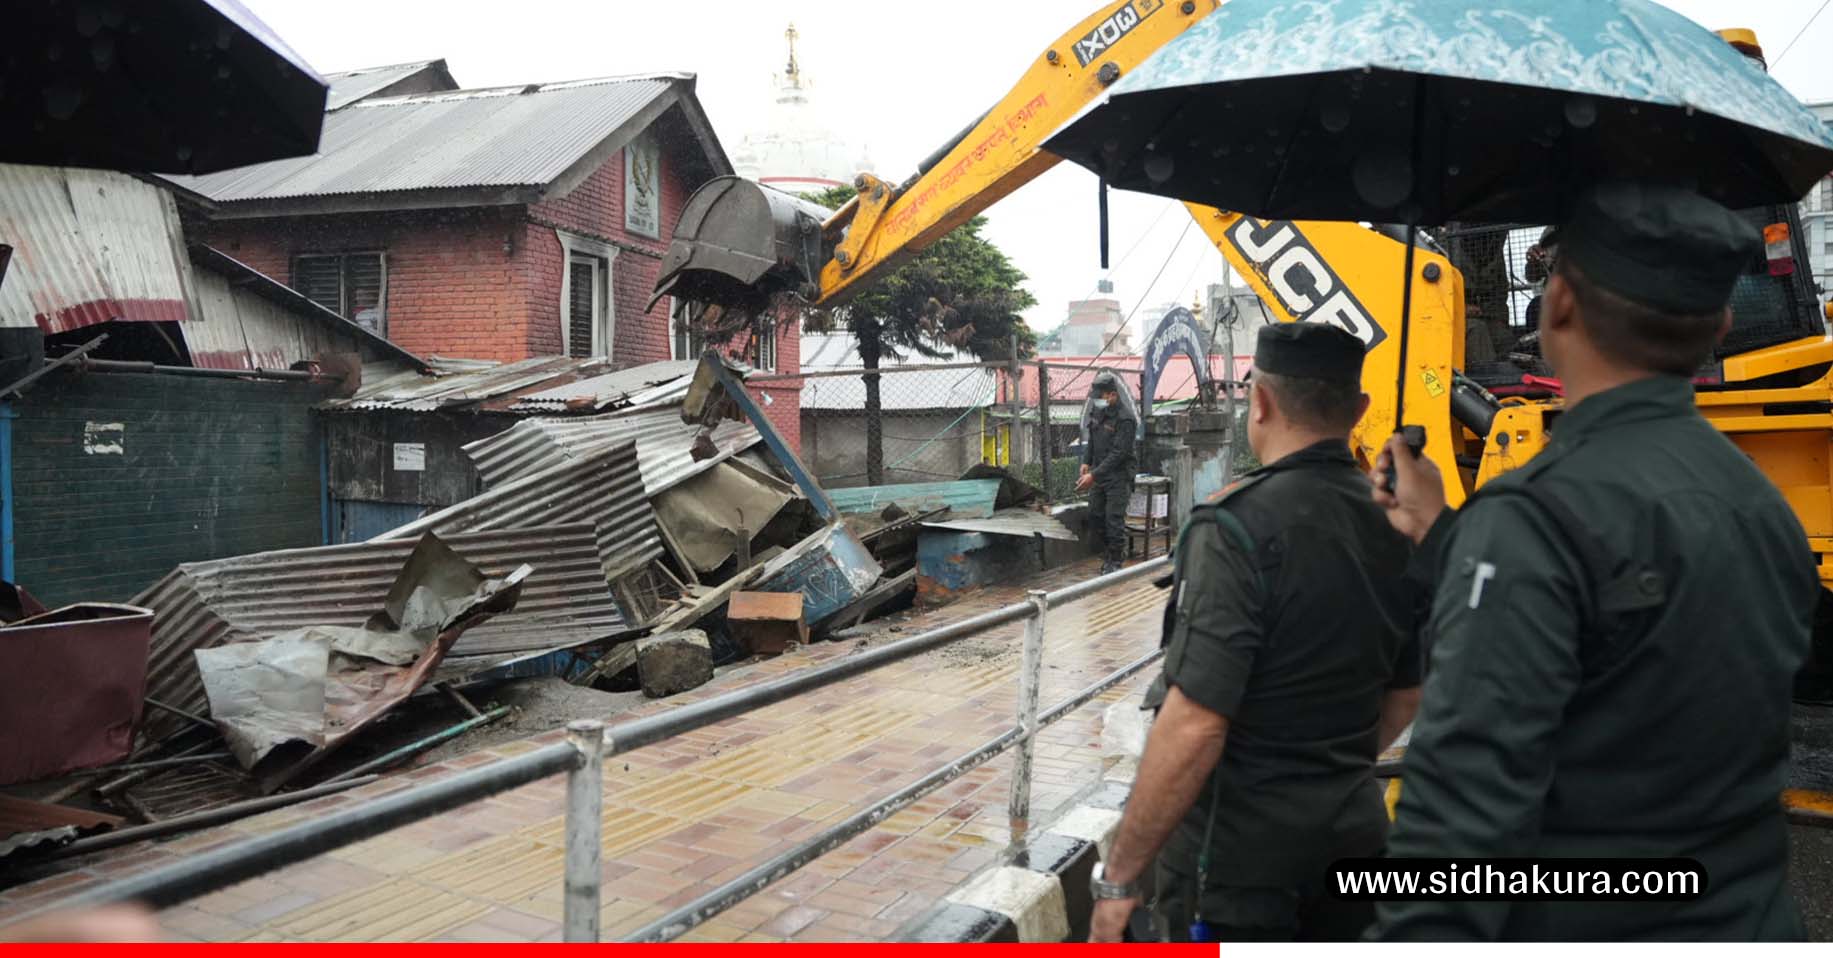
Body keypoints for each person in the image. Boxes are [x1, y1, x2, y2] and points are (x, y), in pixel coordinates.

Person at [1369, 183, 1815, 940]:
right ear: (1722, 323)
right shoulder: (1763, 506)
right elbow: (1630, 650)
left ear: (1561, 305)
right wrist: (1447, 533)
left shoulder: (1531, 520)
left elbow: (1451, 849)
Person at [1088, 323, 1422, 942]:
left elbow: (1194, 723)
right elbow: (1409, 692)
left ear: (1260, 403)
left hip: (1238, 873)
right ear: (1359, 410)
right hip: (1356, 848)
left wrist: (1120, 878)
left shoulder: (1233, 528)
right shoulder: (1399, 523)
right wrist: (1325, 765)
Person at [1077, 372, 1137, 574]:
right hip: (1100, 474)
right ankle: (1112, 551)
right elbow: (1092, 439)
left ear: (1112, 395)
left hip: (1119, 476)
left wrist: (1093, 475)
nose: (1097, 401)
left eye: (1100, 397)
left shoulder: (1126, 419)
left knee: (1114, 518)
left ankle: (1115, 560)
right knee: (1095, 515)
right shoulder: (1097, 411)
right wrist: (1086, 462)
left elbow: (1119, 454)